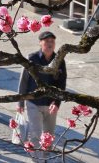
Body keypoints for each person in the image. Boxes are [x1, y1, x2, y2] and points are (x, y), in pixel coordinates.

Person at [18, 30, 67, 161]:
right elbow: (23, 81)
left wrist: (56, 103)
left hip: (51, 104)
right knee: (35, 133)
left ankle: (44, 158)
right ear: (40, 43)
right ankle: (37, 160)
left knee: (49, 135)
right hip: (33, 102)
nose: (50, 44)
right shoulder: (32, 58)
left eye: (52, 41)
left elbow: (62, 84)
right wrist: (20, 102)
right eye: (47, 41)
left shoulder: (59, 61)